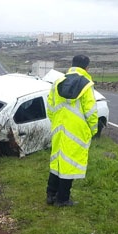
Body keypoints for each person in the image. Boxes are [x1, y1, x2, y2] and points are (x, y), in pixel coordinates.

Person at [45, 55, 98, 206]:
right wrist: (92, 130)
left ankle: (50, 194)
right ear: (87, 68)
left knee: (57, 161)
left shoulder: (58, 82)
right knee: (70, 164)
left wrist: (55, 122)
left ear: (72, 65)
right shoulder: (86, 85)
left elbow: (50, 107)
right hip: (77, 132)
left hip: (58, 129)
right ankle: (62, 199)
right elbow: (91, 112)